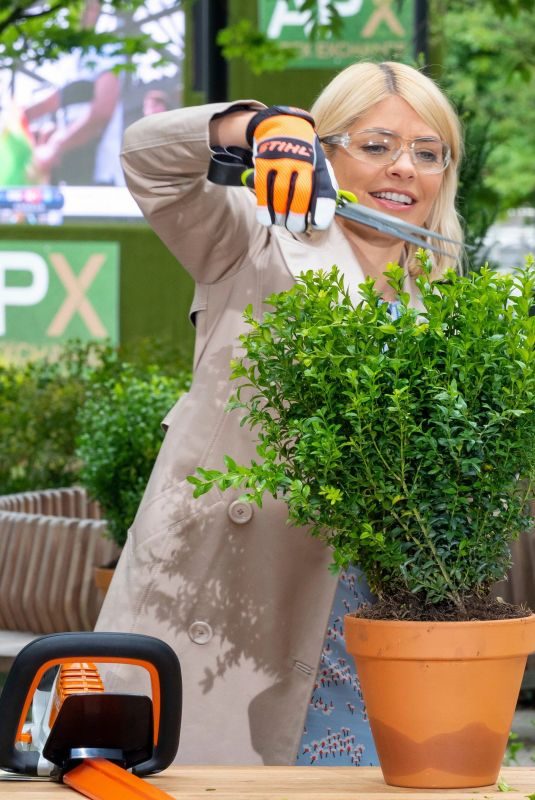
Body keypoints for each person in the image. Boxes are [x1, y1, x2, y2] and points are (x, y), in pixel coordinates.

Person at [95, 61, 463, 766]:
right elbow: (148, 159)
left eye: (427, 152)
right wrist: (257, 125)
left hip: (365, 621)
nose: (403, 170)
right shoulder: (250, 242)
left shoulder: (443, 306)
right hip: (228, 600)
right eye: (375, 144)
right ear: (322, 152)